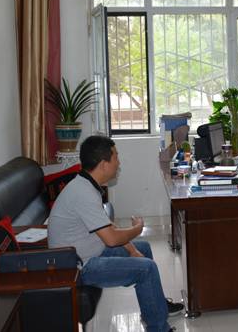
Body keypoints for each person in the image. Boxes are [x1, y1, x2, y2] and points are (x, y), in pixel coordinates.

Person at [48, 135, 183, 332]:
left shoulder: (87, 184)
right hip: (79, 267)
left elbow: (108, 227)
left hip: (87, 254)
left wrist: (132, 250)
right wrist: (137, 229)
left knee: (143, 249)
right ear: (104, 164)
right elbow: (111, 239)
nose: (119, 163)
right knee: (146, 269)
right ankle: (158, 328)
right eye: (116, 157)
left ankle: (155, 308)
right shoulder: (83, 193)